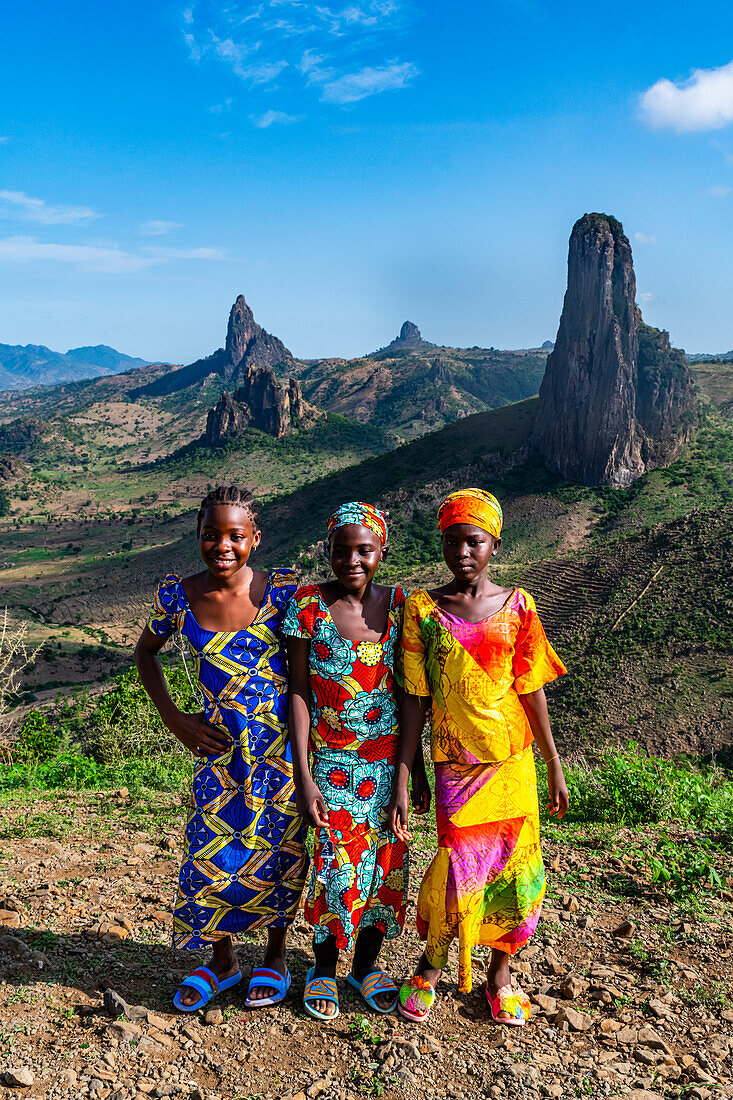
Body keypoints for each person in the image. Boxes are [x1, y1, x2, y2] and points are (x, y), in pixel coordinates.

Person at [388, 487, 568, 1025]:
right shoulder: (423, 610)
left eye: (474, 542)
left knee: (514, 870)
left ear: (493, 543)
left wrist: (554, 764)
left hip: (512, 762)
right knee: (458, 867)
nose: (463, 552)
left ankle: (499, 975)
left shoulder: (520, 607)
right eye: (452, 541)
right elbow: (415, 699)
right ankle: (432, 966)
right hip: (455, 767)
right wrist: (408, 771)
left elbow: (531, 689)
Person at [134, 485, 308, 1012]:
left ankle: (276, 955)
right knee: (212, 855)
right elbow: (145, 653)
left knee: (281, 849)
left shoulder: (282, 594)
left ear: (255, 538)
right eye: (211, 535)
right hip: (216, 753)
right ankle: (224, 959)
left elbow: (302, 678)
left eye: (236, 535)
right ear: (198, 537)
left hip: (279, 750)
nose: (223, 545)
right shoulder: (177, 595)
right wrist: (174, 718)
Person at [284, 502, 429, 1021]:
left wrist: (409, 778)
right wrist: (303, 774)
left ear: (382, 551)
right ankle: (323, 968)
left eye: (364, 550)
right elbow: (298, 693)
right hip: (329, 764)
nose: (352, 560)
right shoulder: (308, 607)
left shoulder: (402, 609)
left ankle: (365, 967)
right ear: (328, 551)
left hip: (388, 767)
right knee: (332, 870)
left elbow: (413, 698)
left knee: (386, 871)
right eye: (341, 550)